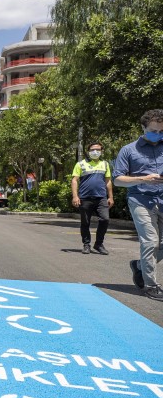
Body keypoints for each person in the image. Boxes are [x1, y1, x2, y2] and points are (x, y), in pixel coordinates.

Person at [113, 109, 163, 302]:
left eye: (161, 132)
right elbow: (118, 179)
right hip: (140, 199)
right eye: (153, 131)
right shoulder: (129, 150)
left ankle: (140, 266)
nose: (158, 135)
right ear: (143, 128)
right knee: (150, 241)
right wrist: (143, 179)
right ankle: (151, 285)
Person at [71, 141, 114, 255]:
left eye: (98, 150)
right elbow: (74, 180)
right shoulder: (80, 164)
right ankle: (86, 244)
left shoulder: (105, 164)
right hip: (85, 198)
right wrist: (75, 196)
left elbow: (108, 181)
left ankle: (99, 244)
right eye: (92, 150)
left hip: (101, 198)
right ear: (88, 151)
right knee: (85, 222)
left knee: (105, 219)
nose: (95, 152)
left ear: (101, 151)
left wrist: (110, 197)